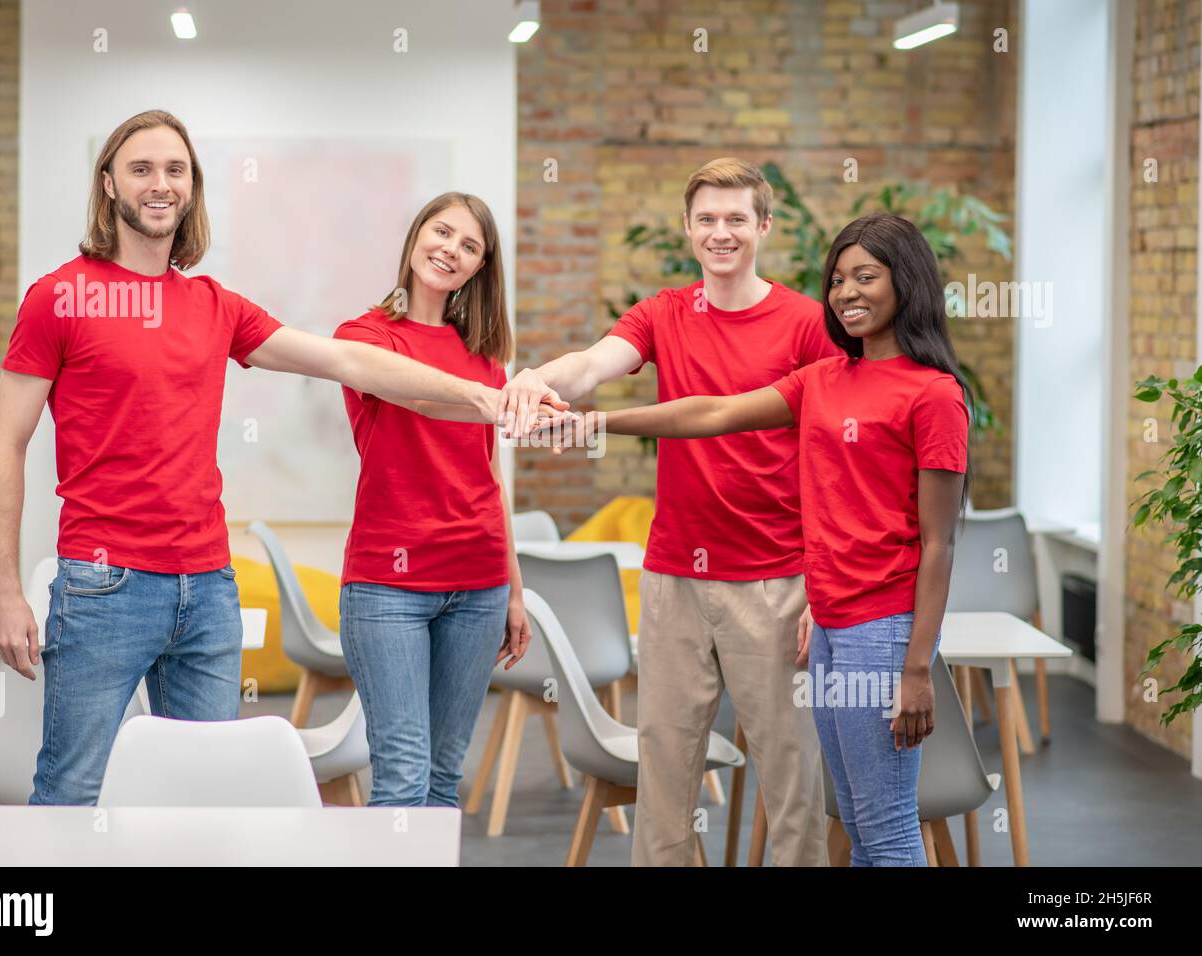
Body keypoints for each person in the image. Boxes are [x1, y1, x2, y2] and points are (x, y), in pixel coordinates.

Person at [0, 110, 523, 807]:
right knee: (71, 791)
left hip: (208, 588)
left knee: (208, 801)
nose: (160, 184)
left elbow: (348, 361)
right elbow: (5, 444)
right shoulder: (59, 297)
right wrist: (4, 589)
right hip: (103, 586)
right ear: (108, 182)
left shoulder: (215, 305)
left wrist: (486, 400)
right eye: (142, 168)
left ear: (192, 188)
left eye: (175, 170)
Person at [535, 212, 970, 866]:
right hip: (827, 626)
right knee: (852, 815)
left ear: (906, 283)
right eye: (838, 279)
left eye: (867, 277)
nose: (848, 292)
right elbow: (711, 412)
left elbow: (940, 544)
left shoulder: (934, 396)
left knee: (884, 827)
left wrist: (916, 669)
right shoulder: (824, 381)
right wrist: (595, 423)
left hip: (880, 634)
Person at [503, 157, 840, 866]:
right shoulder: (663, 313)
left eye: (737, 220)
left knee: (793, 776)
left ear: (764, 228)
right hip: (675, 579)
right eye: (708, 220)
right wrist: (536, 378)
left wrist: (821, 579)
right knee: (665, 773)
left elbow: (835, 463)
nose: (722, 233)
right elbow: (593, 364)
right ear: (689, 229)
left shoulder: (808, 324)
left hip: (776, 581)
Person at [331, 192, 538, 807]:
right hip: (386, 588)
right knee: (401, 779)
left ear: (480, 267)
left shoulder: (485, 358)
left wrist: (514, 588)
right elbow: (415, 396)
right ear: (416, 235)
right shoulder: (364, 337)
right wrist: (478, 396)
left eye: (469, 245)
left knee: (444, 781)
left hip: (478, 585)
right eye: (442, 232)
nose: (451, 249)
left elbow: (489, 477)